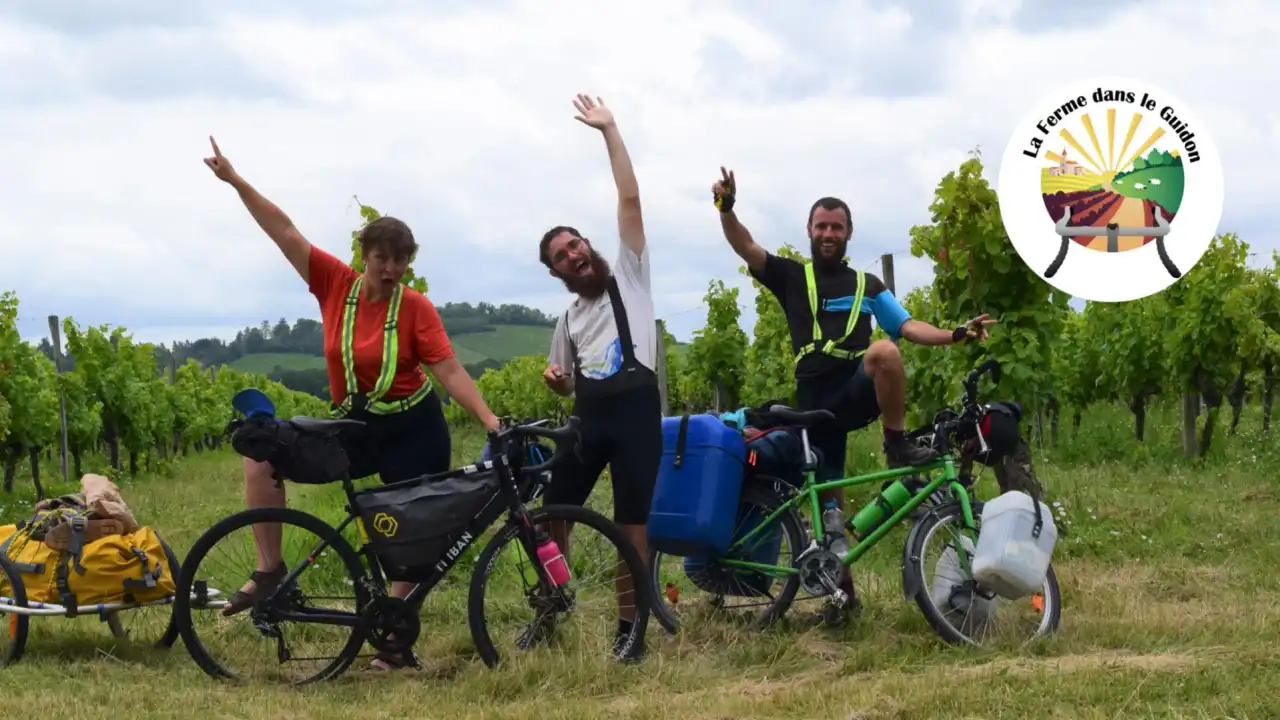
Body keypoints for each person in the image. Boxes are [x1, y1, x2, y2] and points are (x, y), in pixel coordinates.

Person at [202, 136, 501, 671]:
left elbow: (449, 369)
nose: (390, 268)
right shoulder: (334, 284)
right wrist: (236, 181)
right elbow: (284, 231)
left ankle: (393, 641)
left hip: (415, 428)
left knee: (408, 535)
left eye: (400, 260)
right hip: (359, 424)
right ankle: (268, 566)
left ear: (408, 263)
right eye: (381, 257)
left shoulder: (417, 308)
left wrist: (488, 419)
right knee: (261, 453)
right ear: (365, 256)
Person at [710, 167, 995, 621]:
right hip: (815, 407)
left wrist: (956, 333)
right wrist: (727, 207)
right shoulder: (790, 276)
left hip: (852, 390)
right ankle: (844, 599)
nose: (828, 233)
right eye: (821, 226)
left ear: (848, 234)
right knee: (833, 517)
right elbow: (744, 244)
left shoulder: (867, 286)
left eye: (836, 227)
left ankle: (895, 443)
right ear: (809, 230)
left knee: (885, 351)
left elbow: (907, 327)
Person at [538, 94, 660, 662]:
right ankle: (551, 603)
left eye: (575, 244)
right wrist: (555, 379)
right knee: (551, 516)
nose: (574, 255)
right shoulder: (567, 317)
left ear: (588, 244)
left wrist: (610, 129)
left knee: (630, 526)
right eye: (563, 256)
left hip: (636, 419)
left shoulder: (629, 276)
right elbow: (565, 383)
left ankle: (629, 631)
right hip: (587, 422)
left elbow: (629, 197)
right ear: (558, 273)